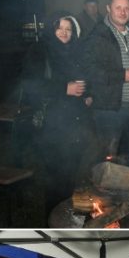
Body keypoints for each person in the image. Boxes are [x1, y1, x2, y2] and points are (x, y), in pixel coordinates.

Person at [19, 12, 97, 214]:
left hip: (76, 124)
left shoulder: (75, 51)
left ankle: (66, 214)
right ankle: (53, 218)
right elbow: (30, 84)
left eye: (68, 29)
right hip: (51, 126)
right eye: (59, 28)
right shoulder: (39, 50)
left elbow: (85, 78)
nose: (64, 32)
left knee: (71, 174)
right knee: (56, 176)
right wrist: (64, 88)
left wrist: (88, 94)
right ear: (51, 29)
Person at [85, 0, 129, 166]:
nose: (123, 12)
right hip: (111, 108)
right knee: (109, 156)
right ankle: (107, 183)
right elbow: (90, 70)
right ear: (108, 9)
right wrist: (122, 75)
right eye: (118, 8)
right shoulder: (98, 36)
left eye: (126, 8)